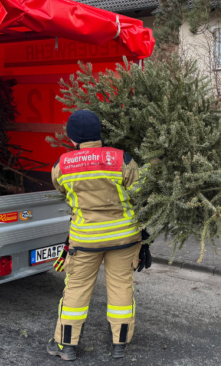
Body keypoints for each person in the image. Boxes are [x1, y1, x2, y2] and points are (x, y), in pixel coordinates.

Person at [47, 110, 151, 361]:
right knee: (121, 288)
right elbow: (141, 192)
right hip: (124, 237)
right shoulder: (122, 159)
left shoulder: (62, 165)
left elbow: (62, 190)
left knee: (76, 290)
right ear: (99, 133)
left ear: (72, 139)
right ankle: (119, 343)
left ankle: (66, 345)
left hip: (85, 240)